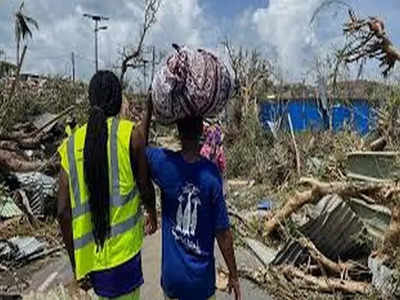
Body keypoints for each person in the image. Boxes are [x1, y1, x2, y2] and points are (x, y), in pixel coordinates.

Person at [57, 71, 157, 300]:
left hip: (91, 263)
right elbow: (145, 187)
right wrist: (152, 213)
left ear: (91, 100)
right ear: (119, 99)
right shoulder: (129, 135)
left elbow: (63, 212)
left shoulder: (69, 147)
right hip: (124, 258)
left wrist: (78, 267)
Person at [144, 98, 241, 300]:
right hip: (201, 285)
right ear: (201, 133)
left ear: (178, 131)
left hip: (173, 282)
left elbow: (138, 148)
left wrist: (148, 110)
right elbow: (223, 234)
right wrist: (234, 274)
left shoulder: (164, 163)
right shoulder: (211, 175)